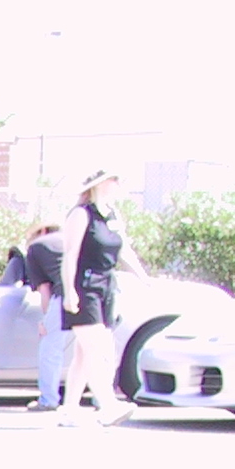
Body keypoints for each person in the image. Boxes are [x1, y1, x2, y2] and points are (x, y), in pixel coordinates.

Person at [55, 169, 147, 427]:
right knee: (97, 347)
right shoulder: (81, 214)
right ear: (98, 184)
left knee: (84, 353)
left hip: (106, 285)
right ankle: (107, 405)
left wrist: (143, 277)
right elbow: (70, 255)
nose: (117, 184)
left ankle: (69, 409)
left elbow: (124, 251)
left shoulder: (113, 215)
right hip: (84, 285)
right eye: (112, 179)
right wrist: (70, 291)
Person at [22, 221, 67, 411]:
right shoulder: (74, 239)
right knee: (92, 349)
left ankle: (49, 399)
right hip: (98, 292)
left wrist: (45, 319)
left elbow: (45, 289)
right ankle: (102, 401)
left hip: (65, 295)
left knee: (50, 348)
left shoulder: (37, 247)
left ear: (42, 231)